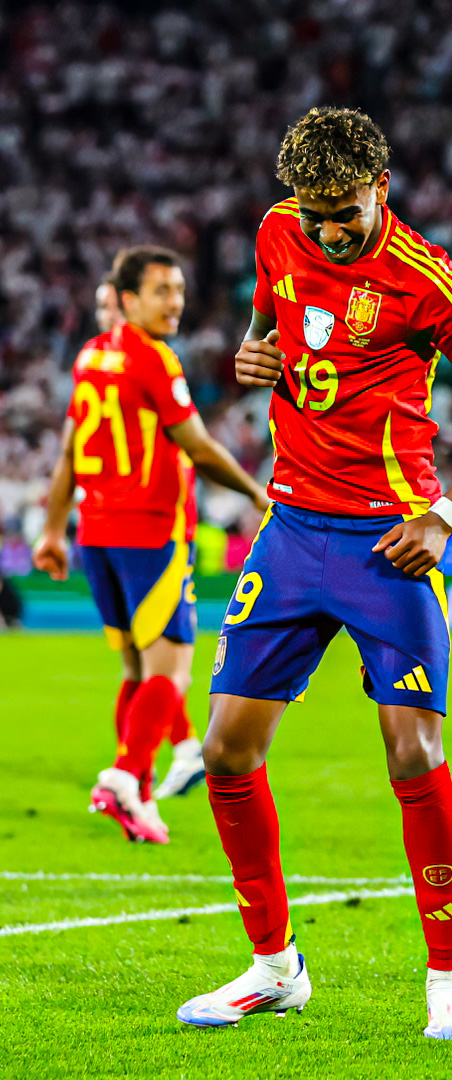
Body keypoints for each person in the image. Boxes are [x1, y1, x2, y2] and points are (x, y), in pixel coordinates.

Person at [176, 106, 452, 1036]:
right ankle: (274, 967)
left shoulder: (430, 281)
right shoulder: (278, 231)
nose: (329, 229)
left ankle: (447, 977)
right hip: (291, 530)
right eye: (315, 212)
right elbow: (267, 324)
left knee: (414, 753)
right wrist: (255, 351)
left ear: (382, 186)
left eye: (344, 211)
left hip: (387, 542)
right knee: (225, 752)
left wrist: (445, 516)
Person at [33, 246, 268, 843]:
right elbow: (198, 446)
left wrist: (53, 530)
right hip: (150, 530)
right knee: (174, 670)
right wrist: (257, 494)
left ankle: (137, 797)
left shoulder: (91, 356)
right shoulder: (153, 358)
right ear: (129, 299)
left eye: (180, 290)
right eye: (162, 291)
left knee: (137, 669)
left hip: (96, 531)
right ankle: (125, 776)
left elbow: (69, 452)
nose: (175, 303)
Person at [92, 269, 208, 800]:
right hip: (136, 529)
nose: (107, 319)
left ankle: (153, 765)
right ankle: (151, 766)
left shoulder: (120, 363)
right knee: (158, 663)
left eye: (110, 308)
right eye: (102, 310)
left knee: (151, 662)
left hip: (139, 527)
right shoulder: (126, 364)